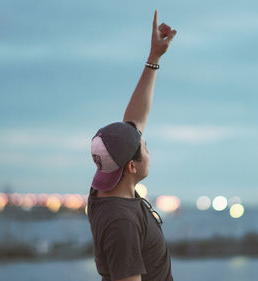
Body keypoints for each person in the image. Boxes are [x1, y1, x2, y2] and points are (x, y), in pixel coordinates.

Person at [87, 10, 177, 281]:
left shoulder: (103, 188)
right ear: (131, 166)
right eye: (145, 148)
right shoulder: (121, 223)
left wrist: (154, 58)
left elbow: (134, 119)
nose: (150, 153)